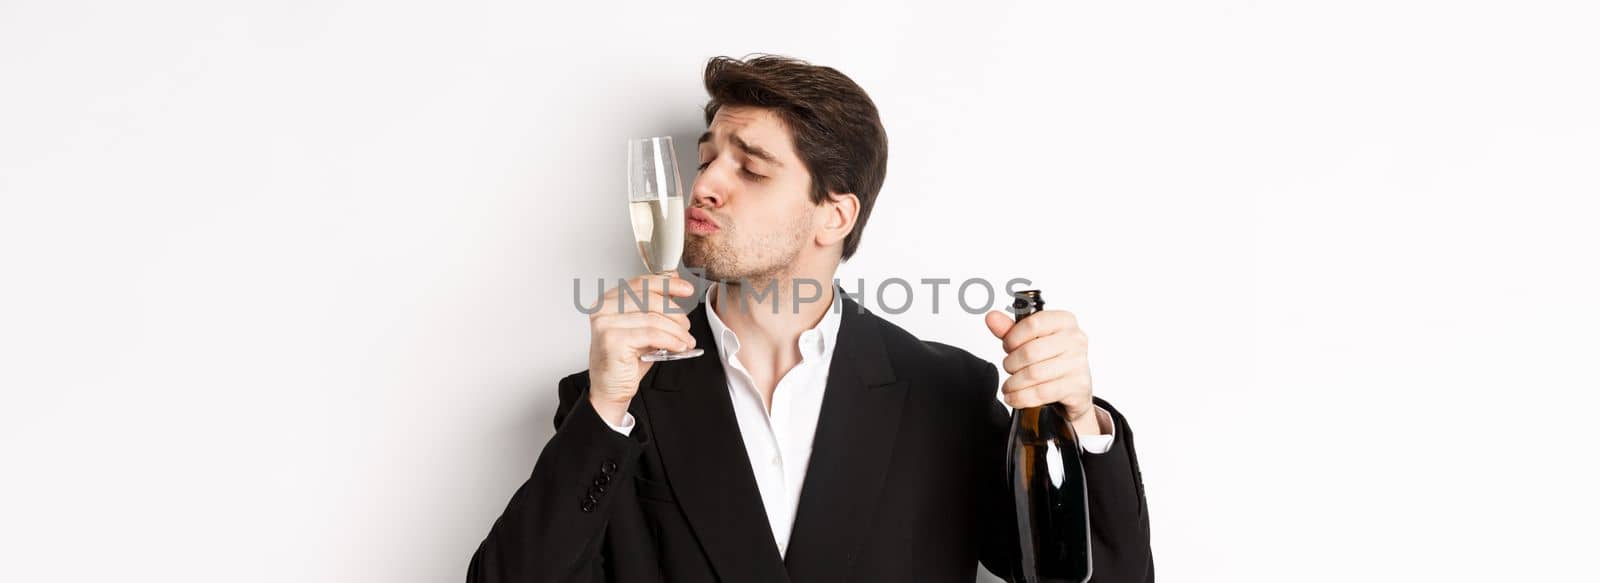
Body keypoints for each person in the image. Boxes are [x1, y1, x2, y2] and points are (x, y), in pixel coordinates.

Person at [467, 54, 1153, 582]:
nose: (702, 183)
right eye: (706, 158)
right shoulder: (614, 398)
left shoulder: (947, 395)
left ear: (835, 214)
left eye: (751, 167)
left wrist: (1082, 422)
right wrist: (604, 409)